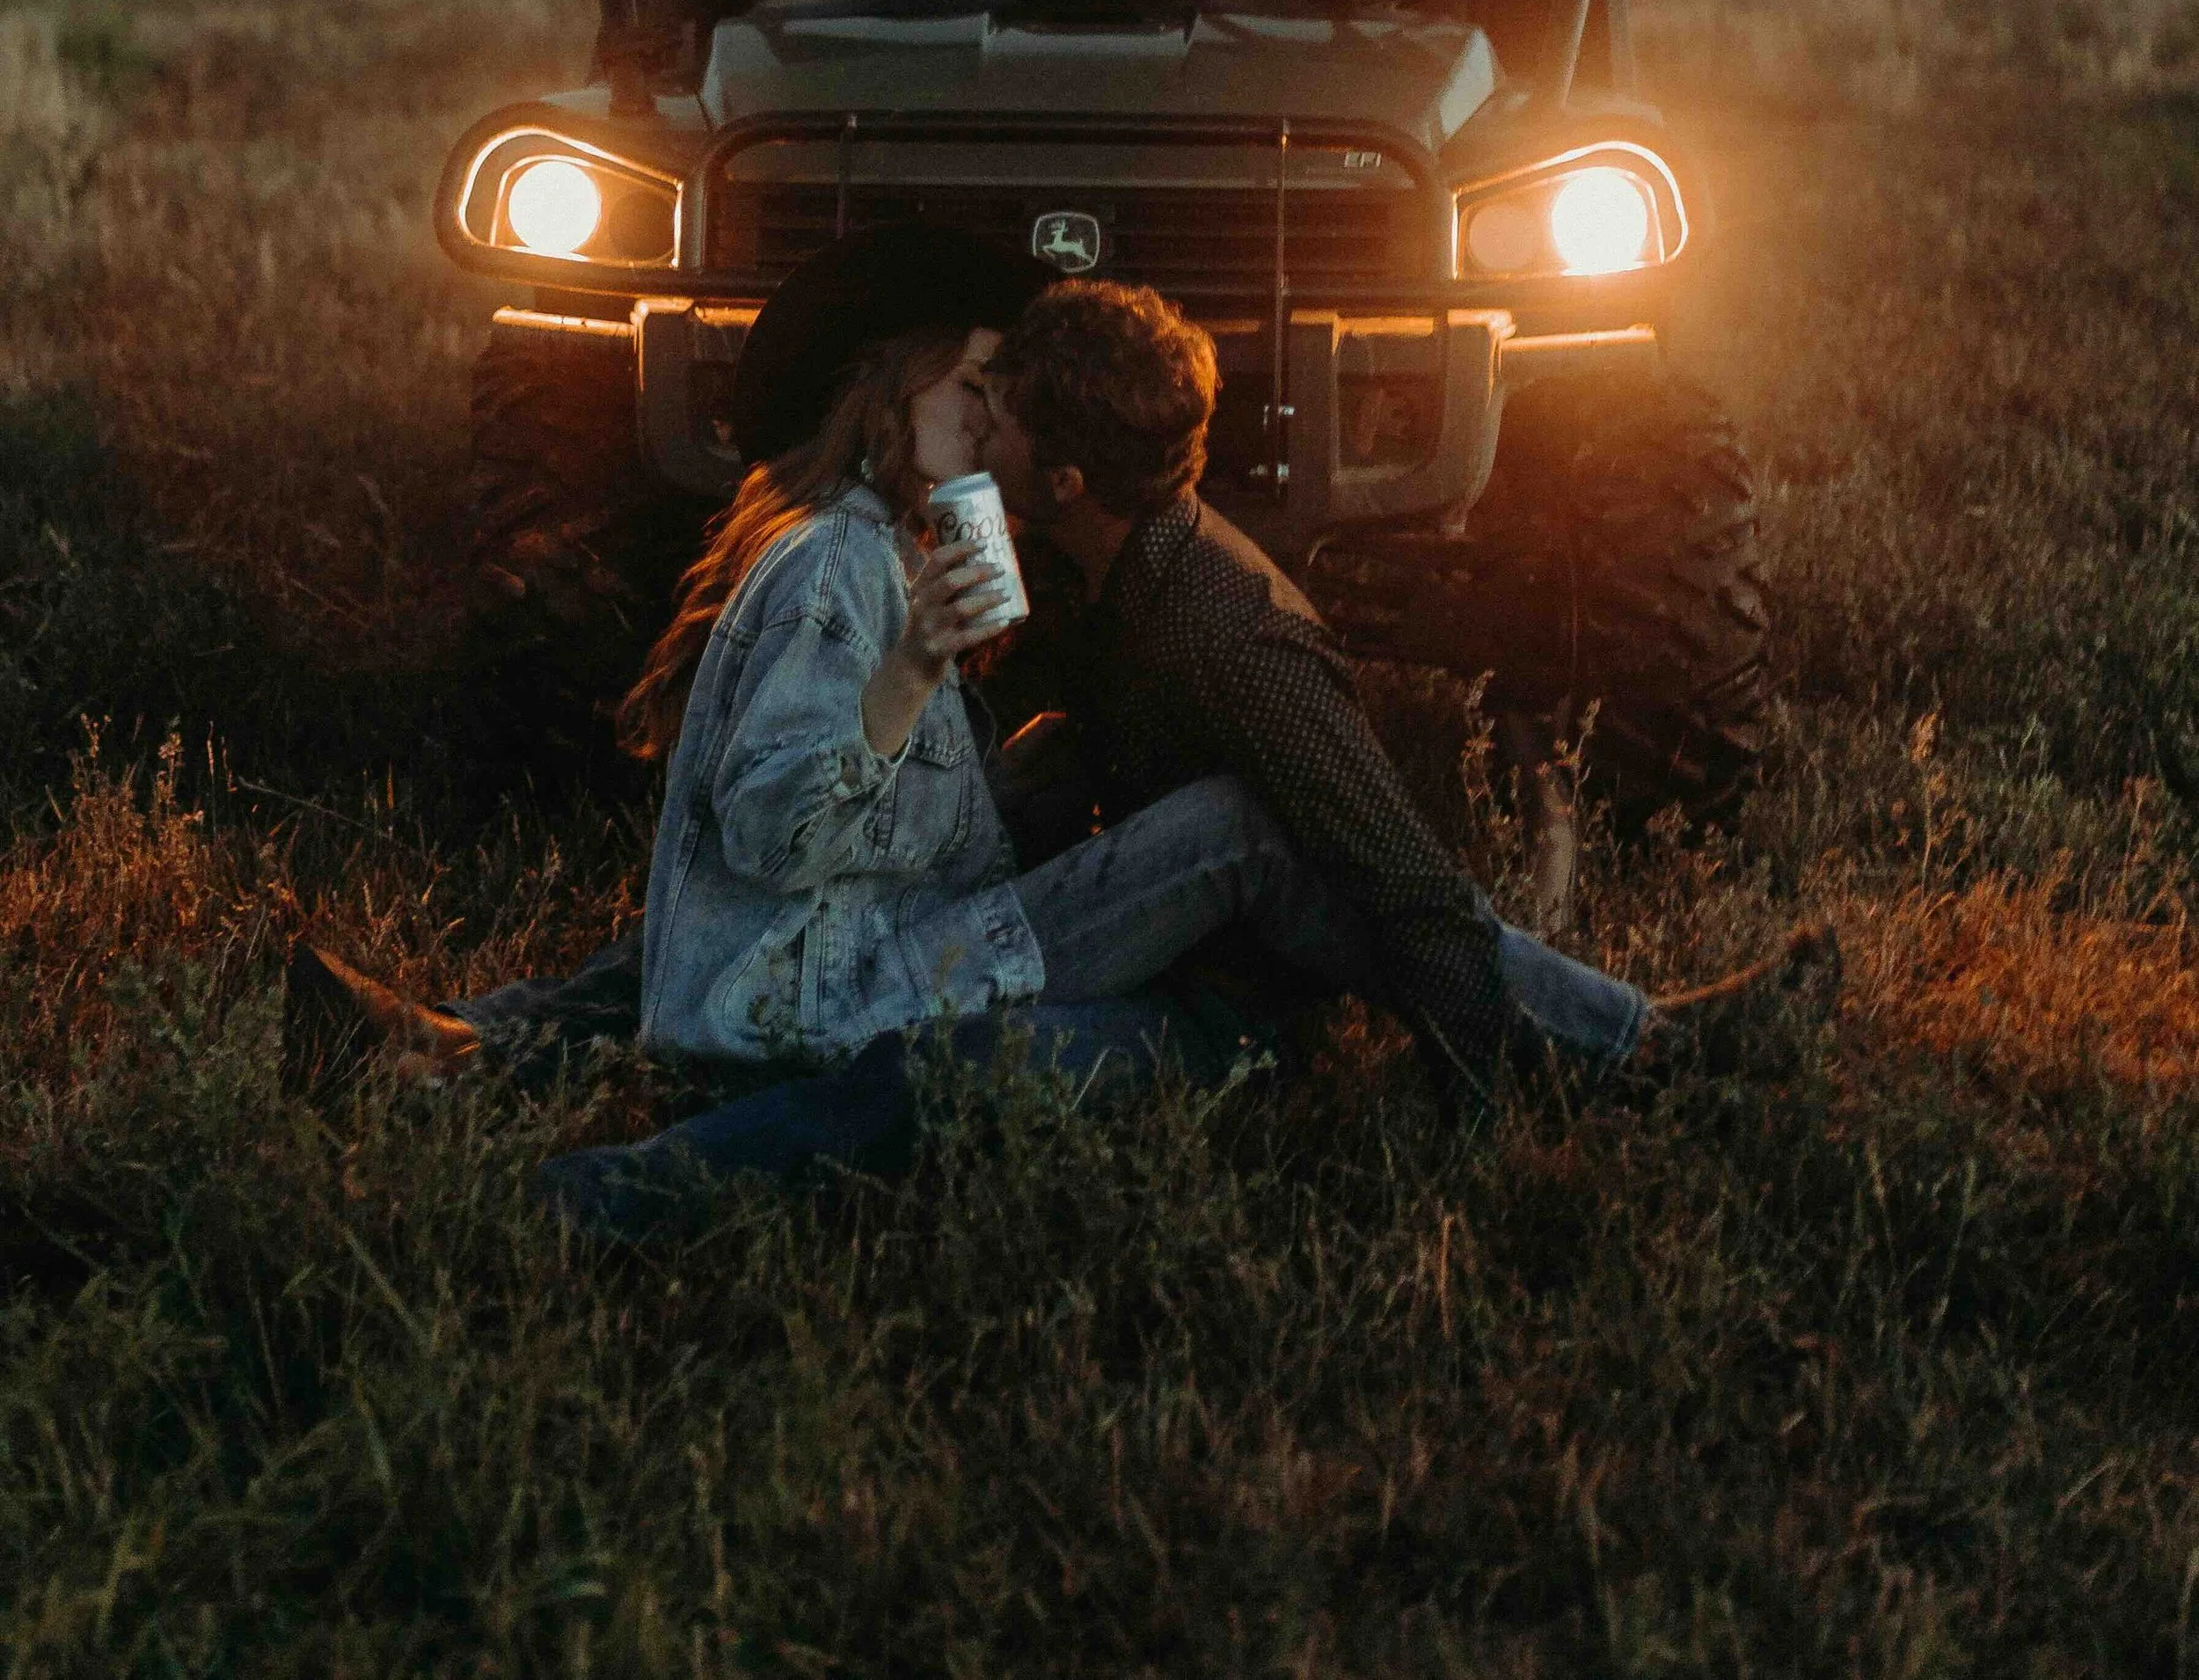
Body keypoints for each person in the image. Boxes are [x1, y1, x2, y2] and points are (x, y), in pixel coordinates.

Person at [287, 237, 1824, 1224]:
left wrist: (1490, 1082)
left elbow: (1398, 874)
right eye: (978, 392)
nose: (993, 419)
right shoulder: (902, 564)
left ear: (1060, 484)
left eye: (1002, 410)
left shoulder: (1228, 632)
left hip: (1113, 964)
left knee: (1176, 907)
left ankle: (1642, 1049)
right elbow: (785, 825)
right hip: (908, 975)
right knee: (1051, 975)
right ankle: (533, 1108)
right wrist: (921, 690)